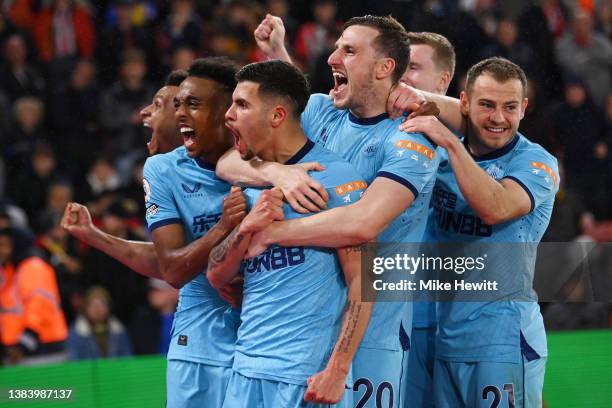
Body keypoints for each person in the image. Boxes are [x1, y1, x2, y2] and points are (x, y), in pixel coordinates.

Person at [217, 15, 439, 408]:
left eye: (349, 50)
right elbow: (231, 158)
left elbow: (363, 222)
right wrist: (277, 172)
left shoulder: (410, 136)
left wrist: (269, 233)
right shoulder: (322, 110)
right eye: (336, 46)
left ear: (385, 67)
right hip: (307, 336)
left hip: (375, 334)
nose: (332, 56)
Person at [208, 60, 372, 407]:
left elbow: (364, 282)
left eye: (242, 105)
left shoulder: (337, 177)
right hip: (245, 369)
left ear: (277, 116)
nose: (228, 115)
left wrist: (338, 370)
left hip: (306, 377)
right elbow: (216, 273)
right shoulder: (250, 183)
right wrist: (246, 230)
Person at [400, 57, 557, 407]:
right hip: (446, 336)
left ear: (524, 109)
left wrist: (452, 143)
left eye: (509, 107)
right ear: (465, 103)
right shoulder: (436, 155)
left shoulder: (536, 162)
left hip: (503, 338)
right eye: (486, 105)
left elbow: (496, 207)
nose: (498, 118)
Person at [142, 56, 246, 407]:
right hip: (198, 344)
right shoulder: (162, 170)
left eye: (192, 104)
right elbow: (171, 268)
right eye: (178, 105)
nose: (180, 114)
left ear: (228, 113)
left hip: (263, 342)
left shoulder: (266, 163)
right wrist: (223, 226)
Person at [61, 70, 186, 278]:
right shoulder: (160, 173)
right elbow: (167, 262)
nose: (144, 112)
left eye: (158, 105)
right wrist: (94, 236)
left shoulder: (234, 172)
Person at [399, 31, 456, 408]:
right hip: (404, 317)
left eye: (413, 68)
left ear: (443, 81)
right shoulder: (386, 138)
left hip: (466, 318)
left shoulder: (482, 142)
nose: (402, 78)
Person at [0, 223, 68, 366]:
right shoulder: (12, 270)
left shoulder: (33, 267)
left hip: (39, 352)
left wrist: (24, 344)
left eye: (5, 245)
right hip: (21, 352)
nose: (2, 250)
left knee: (43, 389)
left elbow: (40, 307)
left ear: (18, 245)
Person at [67, 286, 132, 360]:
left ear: (108, 307)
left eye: (101, 304)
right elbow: (73, 360)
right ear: (85, 308)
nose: (97, 309)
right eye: (93, 305)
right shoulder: (76, 333)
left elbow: (127, 358)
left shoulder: (119, 330)